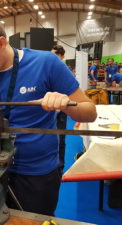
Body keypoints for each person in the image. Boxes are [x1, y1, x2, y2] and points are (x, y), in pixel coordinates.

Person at [0, 12, 97, 216]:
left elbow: (90, 112)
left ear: (1, 42)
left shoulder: (46, 63)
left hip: (37, 175)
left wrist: (65, 104)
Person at [51, 45, 67, 177]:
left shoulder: (64, 70)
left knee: (60, 138)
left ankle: (60, 166)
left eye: (56, 54)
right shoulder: (49, 69)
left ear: (62, 56)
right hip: (49, 110)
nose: (53, 57)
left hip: (61, 110)